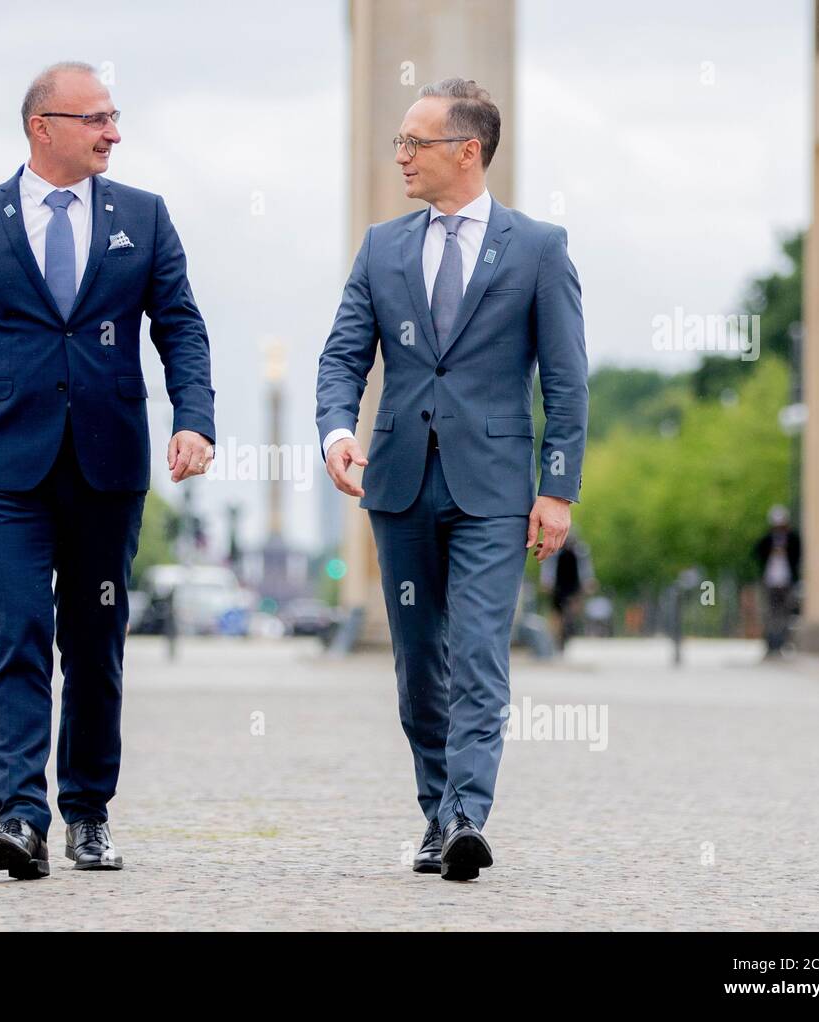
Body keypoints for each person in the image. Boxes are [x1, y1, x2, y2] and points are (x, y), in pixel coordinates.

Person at [0, 62, 216, 880]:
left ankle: (87, 812)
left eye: (115, 118)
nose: (114, 132)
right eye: (97, 119)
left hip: (108, 465)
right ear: (43, 127)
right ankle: (19, 817)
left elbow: (179, 324)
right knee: (18, 637)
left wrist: (195, 419)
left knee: (95, 642)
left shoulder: (144, 218)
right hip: (4, 468)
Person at [316, 79, 588, 881]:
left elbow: (566, 382)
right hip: (396, 485)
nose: (400, 155)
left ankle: (469, 813)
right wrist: (337, 430)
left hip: (495, 490)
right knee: (416, 665)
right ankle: (437, 811)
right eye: (398, 142)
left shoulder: (538, 248)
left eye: (414, 143)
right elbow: (342, 356)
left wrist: (558, 487)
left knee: (476, 652)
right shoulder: (381, 247)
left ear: (467, 151)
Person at [752, 505, 801, 657]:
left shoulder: (793, 539)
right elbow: (757, 552)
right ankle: (770, 644)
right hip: (770, 581)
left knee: (785, 614)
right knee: (769, 614)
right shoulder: (767, 540)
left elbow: (798, 554)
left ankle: (782, 643)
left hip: (787, 581)